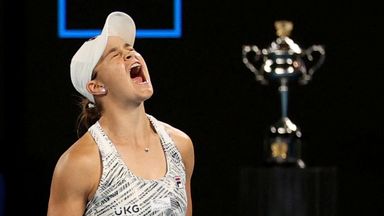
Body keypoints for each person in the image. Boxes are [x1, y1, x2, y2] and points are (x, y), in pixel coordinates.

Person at [47, 11, 195, 216]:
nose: (130, 54)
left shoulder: (180, 145)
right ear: (97, 86)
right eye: (115, 54)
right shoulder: (80, 163)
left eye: (131, 49)